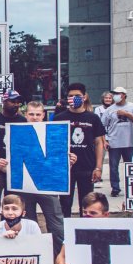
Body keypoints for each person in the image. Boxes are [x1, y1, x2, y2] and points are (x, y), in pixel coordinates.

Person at [2, 101, 70, 252]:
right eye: (31, 114)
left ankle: (59, 257)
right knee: (28, 225)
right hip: (24, 188)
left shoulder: (54, 132)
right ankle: (33, 256)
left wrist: (68, 161)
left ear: (43, 115)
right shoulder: (14, 132)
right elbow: (11, 160)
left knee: (56, 225)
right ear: (25, 115)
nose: (34, 117)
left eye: (38, 114)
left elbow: (59, 158)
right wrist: (4, 165)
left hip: (48, 187)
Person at [59, 82, 106, 217]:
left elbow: (98, 143)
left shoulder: (93, 118)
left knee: (86, 203)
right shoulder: (60, 118)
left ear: (84, 97)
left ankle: (84, 231)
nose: (74, 98)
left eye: (77, 95)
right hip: (66, 169)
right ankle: (65, 232)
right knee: (65, 204)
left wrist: (98, 167)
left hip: (87, 167)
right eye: (71, 96)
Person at [0, 91, 26, 229]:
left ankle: (10, 230)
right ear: (4, 101)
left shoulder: (22, 121)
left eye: (18, 102)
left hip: (15, 172)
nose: (16, 105)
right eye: (13, 101)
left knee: (12, 205)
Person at [102, 86, 133, 197]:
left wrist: (127, 115)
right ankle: (115, 188)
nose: (115, 96)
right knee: (113, 167)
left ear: (124, 95)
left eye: (117, 94)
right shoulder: (110, 109)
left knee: (131, 166)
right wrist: (104, 140)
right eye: (114, 94)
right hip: (114, 142)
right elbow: (102, 126)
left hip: (129, 142)